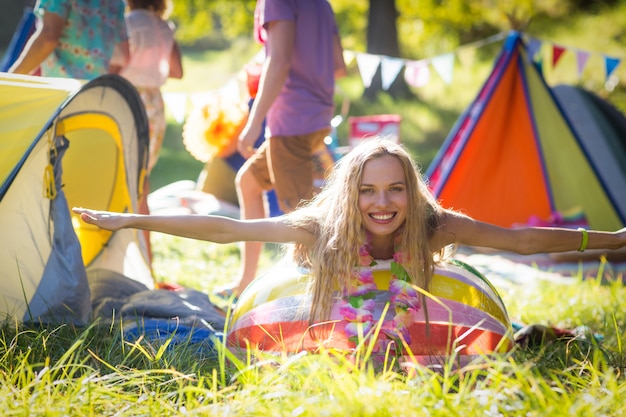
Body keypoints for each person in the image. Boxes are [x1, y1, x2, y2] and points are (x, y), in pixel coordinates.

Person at [73, 139, 626, 327]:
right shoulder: (321, 229)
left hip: (404, 323)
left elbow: (521, 242)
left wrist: (614, 240)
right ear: (349, 196)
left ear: (412, 192)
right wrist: (130, 220)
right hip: (327, 326)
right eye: (367, 190)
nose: (381, 203)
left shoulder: (434, 229)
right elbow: (225, 228)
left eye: (394, 189)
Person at [232, 0, 347, 299]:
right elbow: (338, 65)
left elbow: (280, 60)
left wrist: (254, 121)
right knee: (248, 182)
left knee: (302, 221)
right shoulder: (321, 4)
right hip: (317, 116)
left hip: (292, 121)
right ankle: (245, 282)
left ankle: (323, 295)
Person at [109, 0, 183, 175]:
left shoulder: (126, 22)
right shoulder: (165, 27)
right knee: (143, 171)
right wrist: (152, 71)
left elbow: (115, 65)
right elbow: (177, 71)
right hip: (154, 102)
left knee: (120, 166)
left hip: (127, 96)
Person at [8, 0, 129, 80]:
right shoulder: (116, 2)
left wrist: (11, 79)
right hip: (97, 96)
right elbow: (123, 56)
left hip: (62, 96)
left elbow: (48, 38)